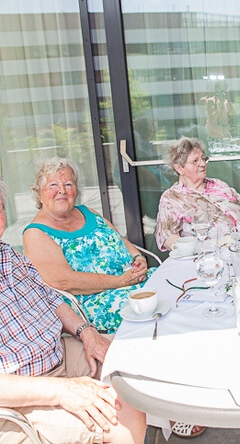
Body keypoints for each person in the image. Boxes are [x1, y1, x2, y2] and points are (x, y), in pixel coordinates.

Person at [0, 179, 147, 443]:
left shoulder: (8, 256)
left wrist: (87, 332)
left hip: (59, 353)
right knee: (122, 416)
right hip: (19, 396)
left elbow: (51, 299)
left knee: (138, 364)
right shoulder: (36, 232)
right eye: (53, 185)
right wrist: (61, 390)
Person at [22, 158, 152, 333]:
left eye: (68, 184)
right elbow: (65, 281)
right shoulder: (36, 233)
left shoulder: (86, 211)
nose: (62, 190)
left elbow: (119, 239)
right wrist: (120, 281)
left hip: (132, 280)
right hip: (96, 301)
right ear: (39, 193)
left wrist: (138, 257)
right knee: (151, 309)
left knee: (175, 284)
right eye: (53, 185)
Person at [155, 137, 240, 251]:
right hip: (208, 256)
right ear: (179, 168)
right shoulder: (172, 197)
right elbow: (166, 236)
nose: (202, 164)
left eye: (204, 159)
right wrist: (190, 250)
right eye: (195, 161)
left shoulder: (219, 184)